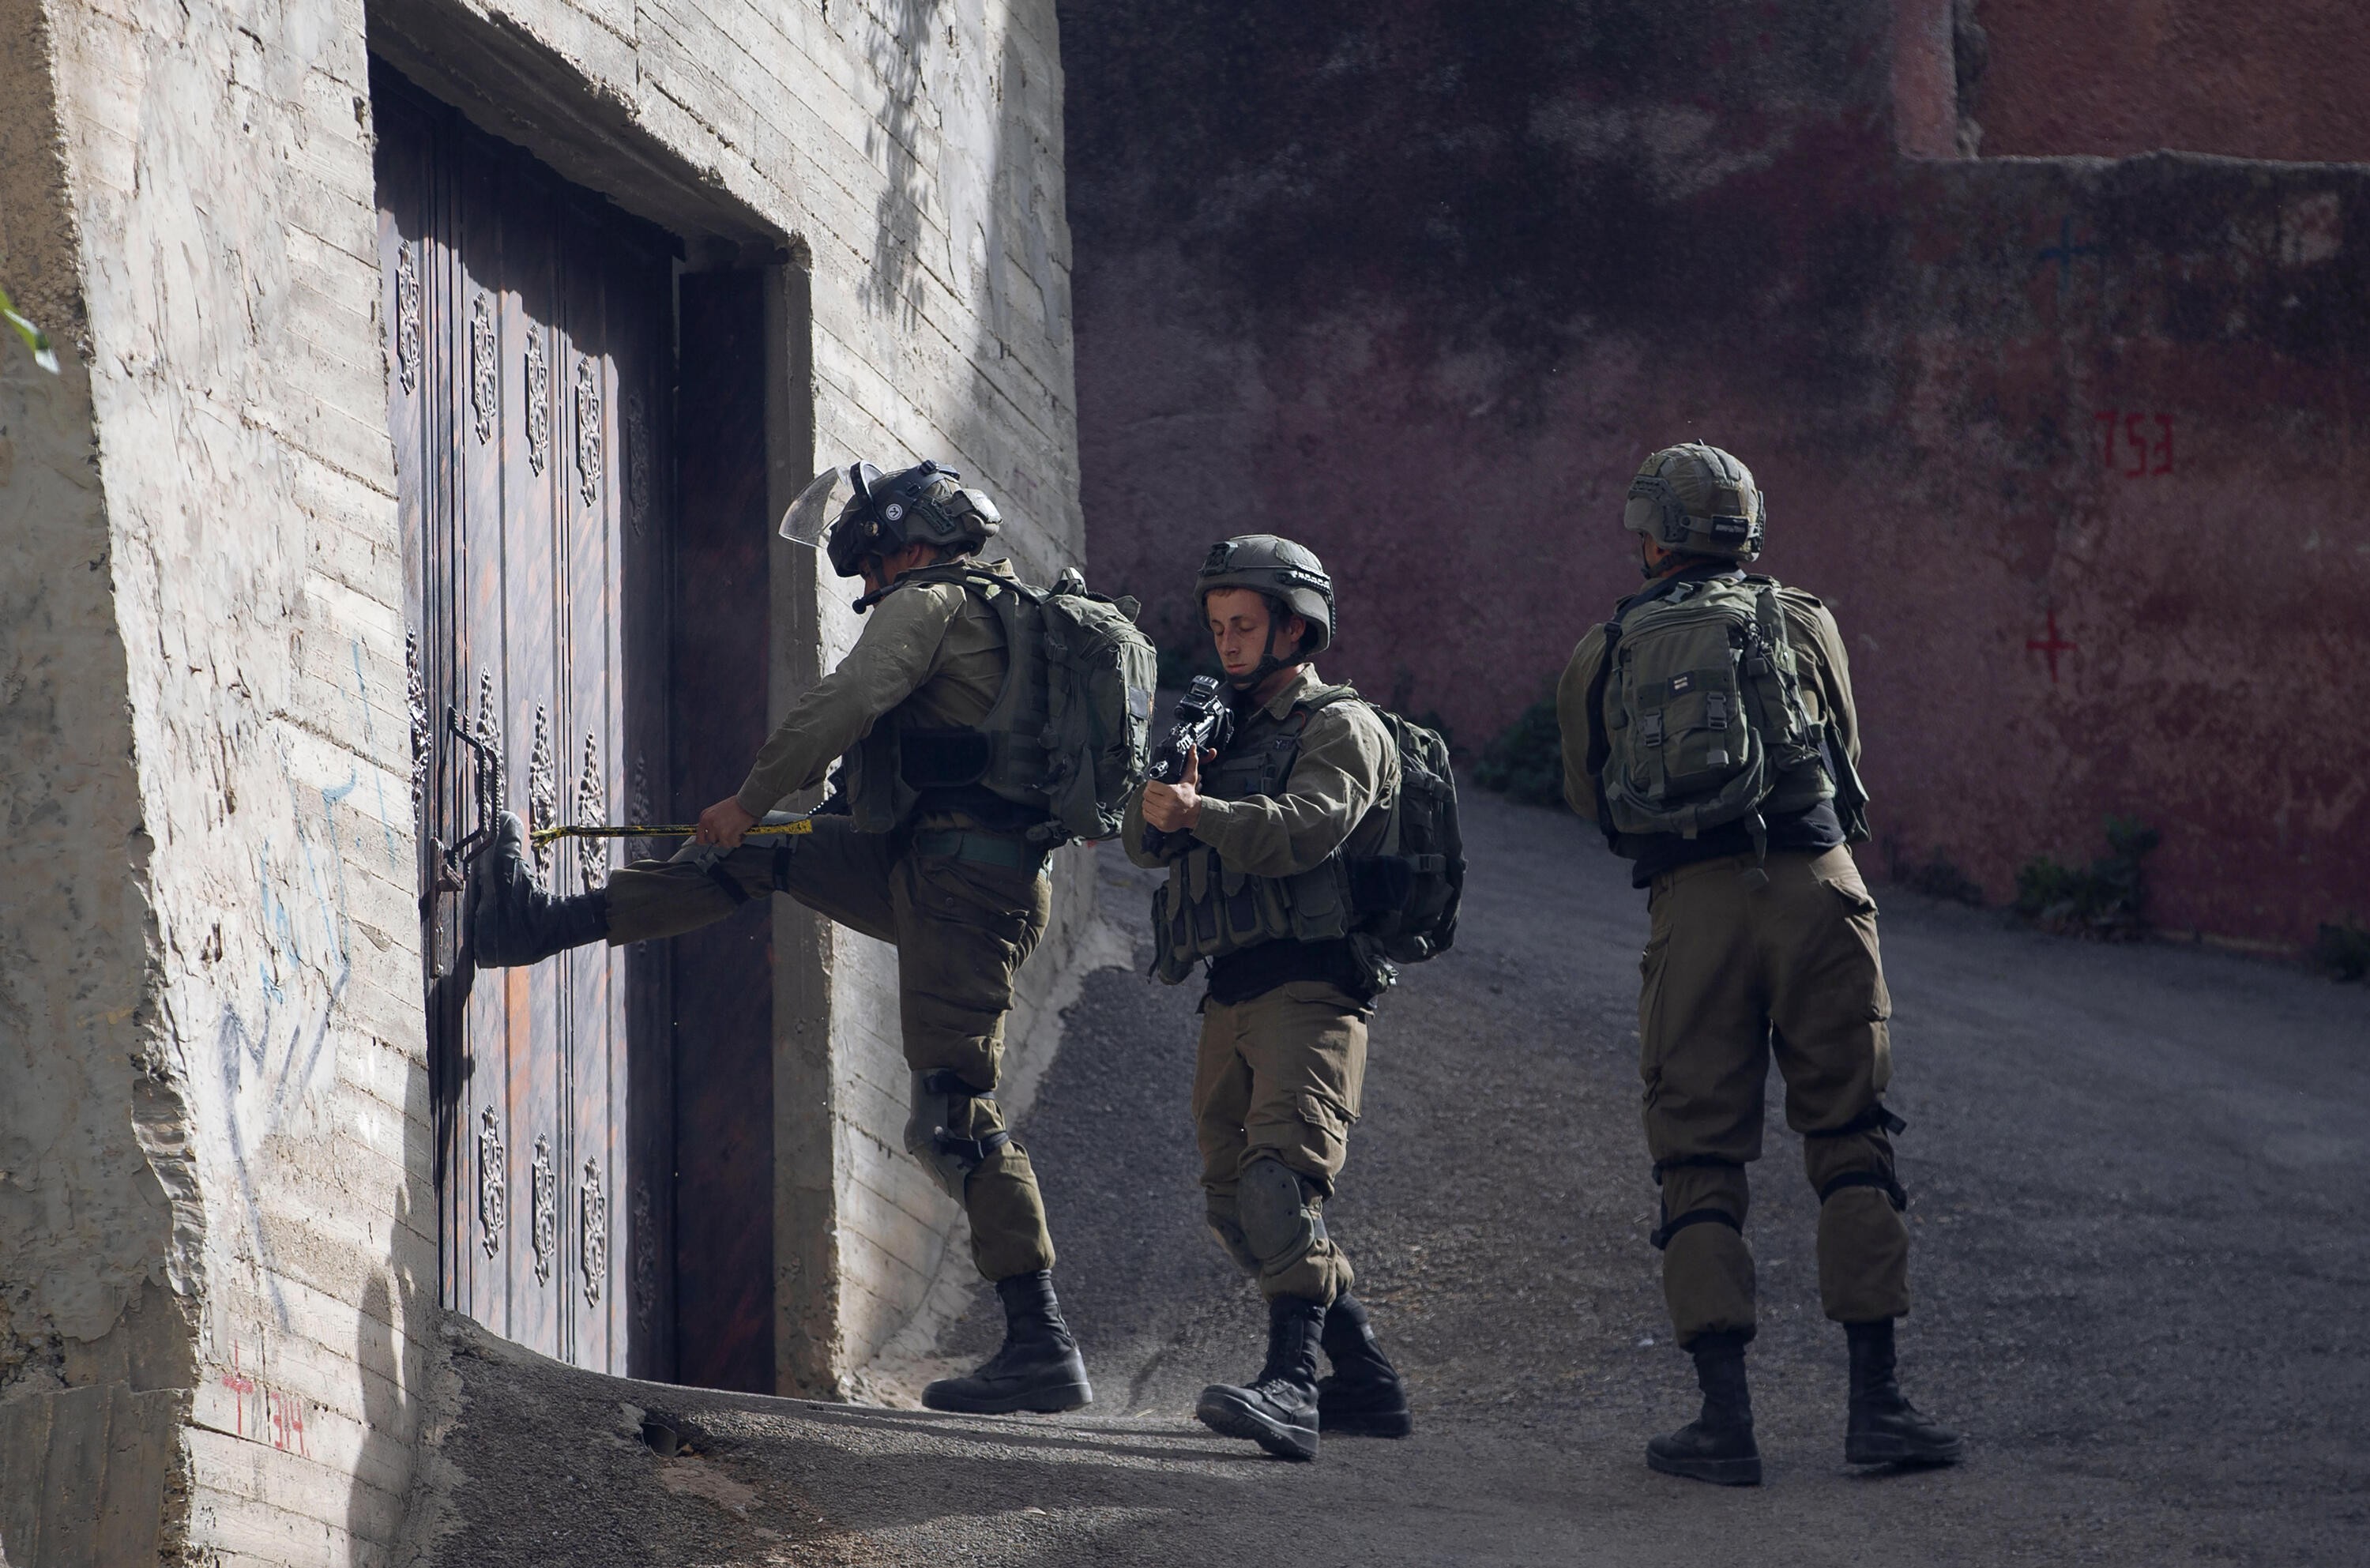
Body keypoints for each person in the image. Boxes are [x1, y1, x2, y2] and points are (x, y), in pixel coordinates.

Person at [470, 460, 1092, 1416]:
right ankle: (538, 924)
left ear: (911, 546)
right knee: (764, 853)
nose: (869, 584)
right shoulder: (1005, 614)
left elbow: (843, 703)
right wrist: (783, 816)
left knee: (951, 1113)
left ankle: (1042, 1341)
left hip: (960, 890)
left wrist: (749, 794)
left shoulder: (930, 603)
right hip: (937, 869)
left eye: (872, 565)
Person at [1556, 442, 1962, 1486]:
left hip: (1693, 906)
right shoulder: (1804, 617)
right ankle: (1878, 1406)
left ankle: (1725, 1421)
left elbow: (1592, 798)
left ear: (1653, 537)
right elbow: (1845, 761)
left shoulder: (1606, 647)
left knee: (1696, 1152)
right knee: (1851, 1131)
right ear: (1748, 529)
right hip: (1819, 886)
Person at [1126, 536, 1412, 1462]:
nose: (1229, 642)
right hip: (1232, 987)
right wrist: (1169, 789)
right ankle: (1362, 1375)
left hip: (1313, 983)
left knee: (1278, 1182)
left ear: (1297, 626)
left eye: (1245, 624)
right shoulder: (1222, 726)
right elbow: (1143, 842)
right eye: (1217, 627)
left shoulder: (1342, 726)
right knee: (1232, 1200)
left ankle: (1291, 1385)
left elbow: (1308, 828)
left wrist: (1201, 811)